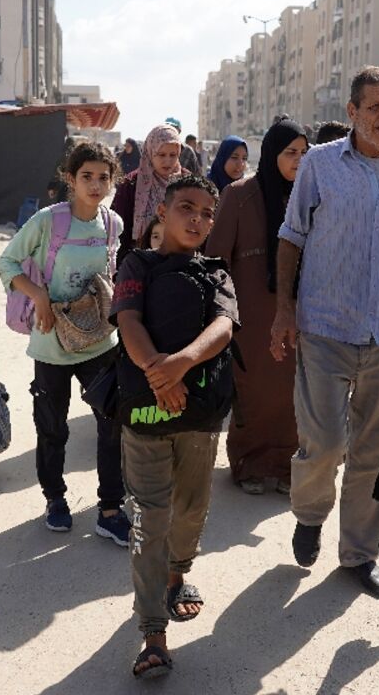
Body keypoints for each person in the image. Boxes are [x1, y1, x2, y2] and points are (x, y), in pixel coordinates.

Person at [270, 66, 379, 600]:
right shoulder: (319, 165)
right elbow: (291, 237)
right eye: (375, 108)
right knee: (323, 442)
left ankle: (359, 555)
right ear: (352, 112)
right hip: (324, 325)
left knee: (374, 449)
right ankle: (310, 514)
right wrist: (283, 309)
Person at [111, 174, 239, 679]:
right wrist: (157, 377)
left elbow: (224, 327)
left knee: (191, 509)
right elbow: (128, 321)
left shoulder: (217, 272)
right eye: (187, 207)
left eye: (208, 213)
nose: (198, 219)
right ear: (162, 213)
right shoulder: (136, 264)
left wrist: (180, 366)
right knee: (150, 519)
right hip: (144, 415)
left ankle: (178, 574)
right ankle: (152, 634)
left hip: (201, 416)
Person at [0, 143, 130, 544]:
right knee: (52, 428)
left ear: (113, 180)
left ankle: (109, 509)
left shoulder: (113, 224)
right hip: (51, 345)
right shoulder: (47, 222)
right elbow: (7, 263)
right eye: (86, 176)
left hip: (100, 343)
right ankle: (55, 499)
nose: (95, 184)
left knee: (111, 427)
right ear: (70, 179)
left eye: (103, 177)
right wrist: (38, 296)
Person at [205, 118, 308, 495]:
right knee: (252, 390)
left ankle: (284, 466)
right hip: (249, 312)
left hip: (299, 311)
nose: (298, 160)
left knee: (292, 392)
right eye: (289, 153)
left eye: (303, 153)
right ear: (272, 154)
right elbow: (216, 259)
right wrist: (222, 312)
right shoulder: (239, 194)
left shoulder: (309, 194)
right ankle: (248, 464)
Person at [111, 124, 186, 259]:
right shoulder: (131, 184)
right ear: (150, 152)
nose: (167, 161)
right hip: (140, 261)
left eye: (173, 155)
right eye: (161, 154)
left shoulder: (187, 182)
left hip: (179, 261)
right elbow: (118, 229)